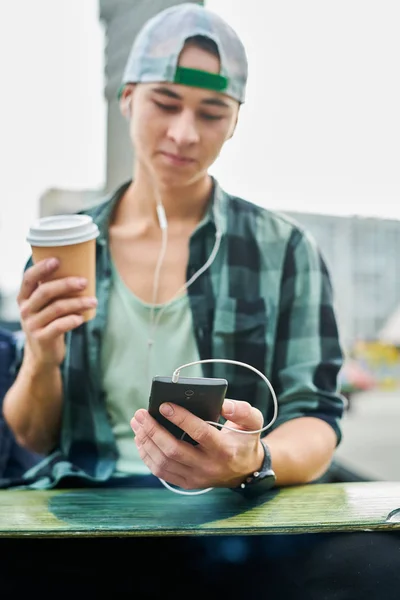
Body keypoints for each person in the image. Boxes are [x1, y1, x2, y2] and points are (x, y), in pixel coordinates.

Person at [2, 4, 399, 598]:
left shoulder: (282, 249)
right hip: (91, 505)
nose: (185, 133)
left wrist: (252, 460)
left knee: (374, 570)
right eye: (165, 103)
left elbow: (316, 418)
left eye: (212, 112)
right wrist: (40, 354)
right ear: (128, 98)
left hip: (237, 511)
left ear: (235, 122)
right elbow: (32, 436)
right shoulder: (66, 248)